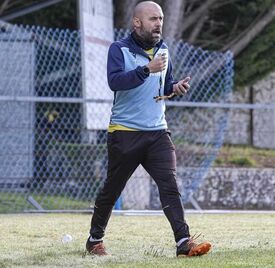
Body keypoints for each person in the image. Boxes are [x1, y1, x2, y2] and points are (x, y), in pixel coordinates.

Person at [85, 1, 212, 257]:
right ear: (137, 22)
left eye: (161, 19)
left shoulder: (163, 49)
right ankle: (94, 239)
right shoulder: (118, 49)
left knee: (170, 185)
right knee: (112, 189)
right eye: (153, 19)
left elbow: (164, 87)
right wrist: (146, 69)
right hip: (124, 133)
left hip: (157, 133)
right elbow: (115, 81)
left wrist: (175, 88)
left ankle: (183, 242)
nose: (158, 24)